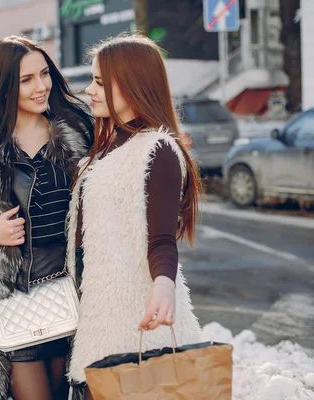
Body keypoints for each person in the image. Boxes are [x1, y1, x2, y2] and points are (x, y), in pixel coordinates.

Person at [0, 35, 93, 400]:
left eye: (44, 74)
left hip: (72, 289)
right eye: (26, 80)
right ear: (4, 86)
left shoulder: (78, 131)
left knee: (66, 393)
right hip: (13, 295)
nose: (41, 86)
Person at [65, 33, 205, 399]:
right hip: (99, 324)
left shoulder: (157, 149)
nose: (89, 90)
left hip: (136, 331)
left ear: (131, 84)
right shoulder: (107, 146)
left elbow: (160, 237)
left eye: (98, 81)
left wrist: (164, 283)